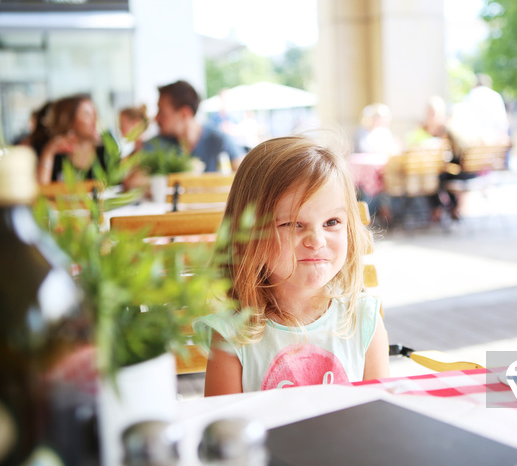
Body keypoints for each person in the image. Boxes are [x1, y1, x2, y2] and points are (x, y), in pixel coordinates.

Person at [199, 136, 390, 395]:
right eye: (292, 224)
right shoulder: (233, 335)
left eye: (332, 222)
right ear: (249, 234)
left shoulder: (364, 321)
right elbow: (226, 429)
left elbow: (378, 416)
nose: (316, 240)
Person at [144, 80, 242, 172]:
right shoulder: (156, 144)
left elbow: (246, 176)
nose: (156, 118)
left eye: (162, 112)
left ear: (184, 114)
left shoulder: (219, 141)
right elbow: (134, 180)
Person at [36, 94, 105, 184]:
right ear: (70, 121)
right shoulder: (55, 153)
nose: (95, 120)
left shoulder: (105, 152)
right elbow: (43, 190)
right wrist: (48, 152)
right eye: (87, 115)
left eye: (95, 114)